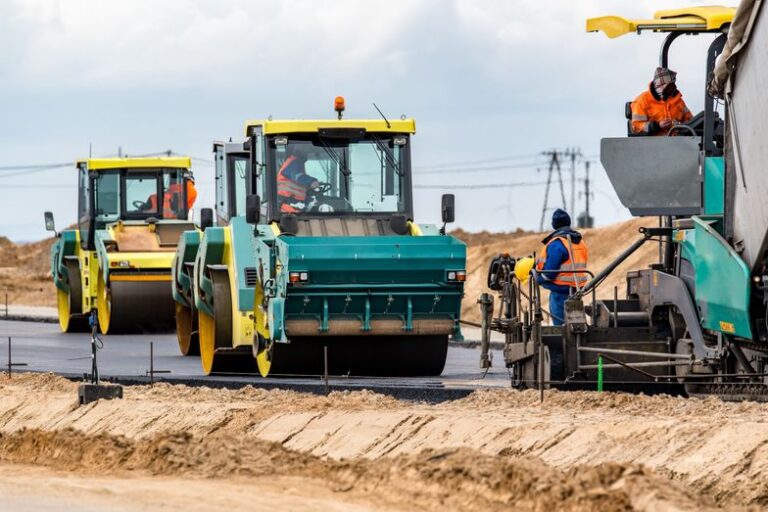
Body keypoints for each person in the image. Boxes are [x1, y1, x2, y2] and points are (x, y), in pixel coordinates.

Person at [535, 209, 588, 326]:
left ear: (554, 225)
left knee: (561, 328)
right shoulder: (579, 241)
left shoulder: (557, 244)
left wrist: (538, 278)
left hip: (560, 293)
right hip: (577, 290)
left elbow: (549, 273)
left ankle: (565, 344)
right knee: (575, 326)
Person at [630, 67, 693, 136]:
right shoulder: (642, 101)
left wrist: (679, 126)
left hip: (679, 142)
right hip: (655, 144)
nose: (671, 89)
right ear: (660, 86)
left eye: (672, 86)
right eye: (669, 87)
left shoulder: (677, 99)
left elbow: (690, 120)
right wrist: (658, 126)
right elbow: (636, 126)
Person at [277, 146, 320, 213]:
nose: (307, 154)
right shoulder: (293, 162)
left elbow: (299, 187)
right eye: (306, 151)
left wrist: (309, 188)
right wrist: (312, 181)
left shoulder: (297, 163)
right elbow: (297, 176)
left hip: (294, 202)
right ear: (300, 151)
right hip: (288, 203)